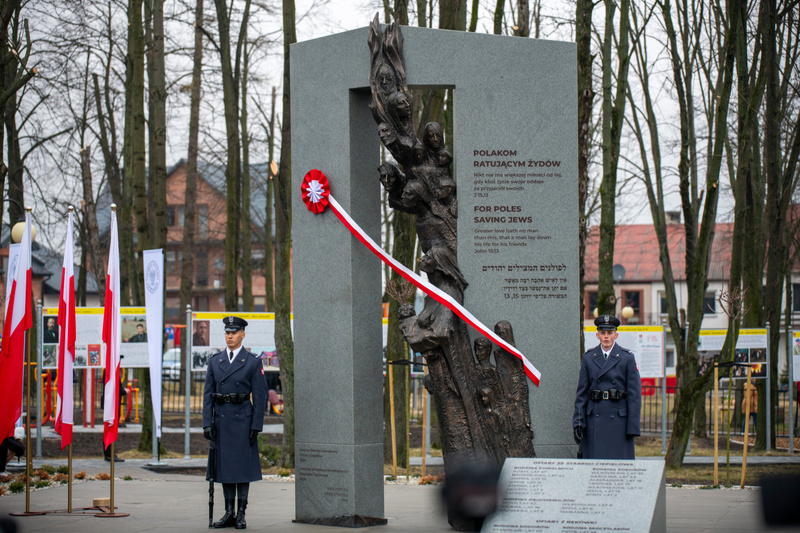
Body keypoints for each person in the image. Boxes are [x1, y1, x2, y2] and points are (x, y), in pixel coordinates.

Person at [203, 316, 267, 529]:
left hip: (243, 419)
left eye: (233, 332)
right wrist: (207, 423)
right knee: (225, 468)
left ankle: (240, 513)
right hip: (222, 419)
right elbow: (207, 395)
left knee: (242, 468)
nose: (229, 336)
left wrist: (256, 425)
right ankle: (228, 512)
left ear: (242, 334)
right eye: (227, 332)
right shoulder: (216, 360)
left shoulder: (252, 361)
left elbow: (260, 396)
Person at [572, 315, 641, 459]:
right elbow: (582, 393)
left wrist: (633, 426)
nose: (606, 337)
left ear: (616, 335)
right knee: (594, 468)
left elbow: (634, 395)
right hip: (594, 421)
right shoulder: (589, 357)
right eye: (603, 333)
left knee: (619, 467)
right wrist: (578, 423)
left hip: (619, 421)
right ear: (597, 335)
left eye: (610, 333)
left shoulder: (626, 358)